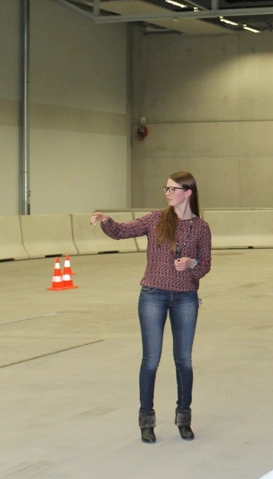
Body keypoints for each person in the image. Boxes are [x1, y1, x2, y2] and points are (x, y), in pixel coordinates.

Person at [91, 171, 212, 444]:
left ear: (188, 192)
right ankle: (146, 420)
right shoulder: (155, 219)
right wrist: (106, 221)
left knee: (184, 360)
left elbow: (205, 265)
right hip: (152, 295)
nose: (168, 193)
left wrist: (190, 264)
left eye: (173, 189)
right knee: (151, 360)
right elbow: (122, 231)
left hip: (185, 298)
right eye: (165, 188)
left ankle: (184, 418)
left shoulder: (201, 228)